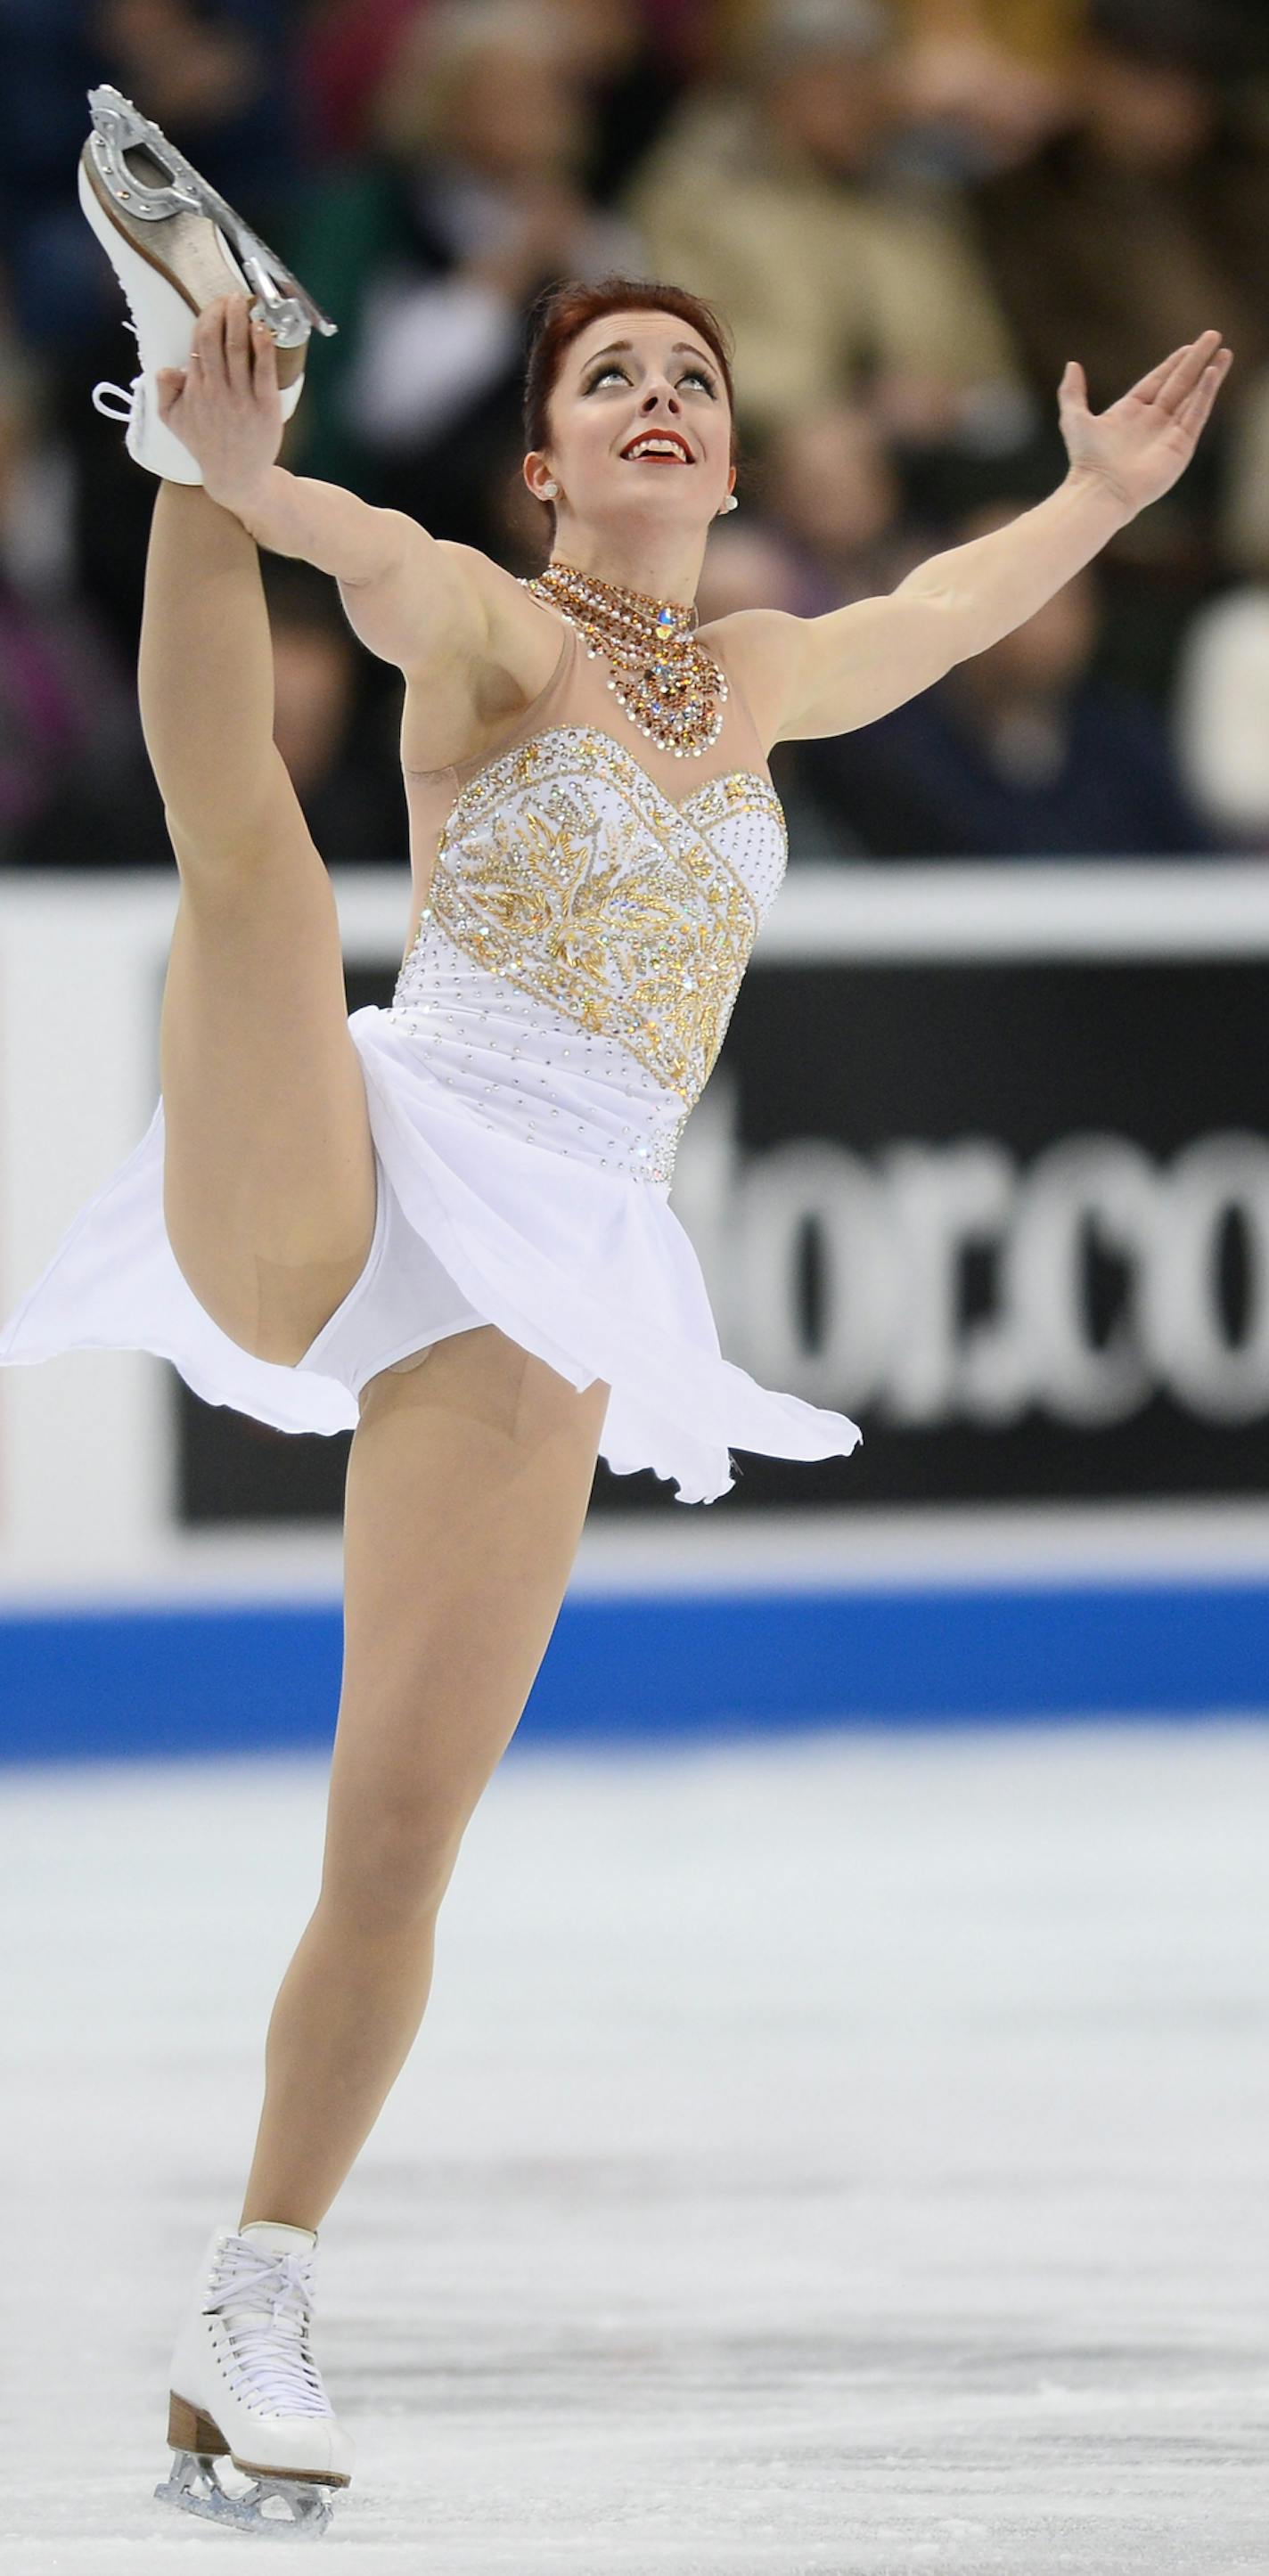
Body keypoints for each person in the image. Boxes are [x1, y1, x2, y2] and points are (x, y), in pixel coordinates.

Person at [0, 79, 1232, 2539]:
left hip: (555, 1260)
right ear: (552, 464)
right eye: (607, 382)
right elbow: (367, 549)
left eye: (690, 377)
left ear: (726, 446)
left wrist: (1091, 510)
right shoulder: (486, 619)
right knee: (247, 860)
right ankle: (167, 398)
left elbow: (928, 618)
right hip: (369, 1151)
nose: (659, 398)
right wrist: (246, 479)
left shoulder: (755, 675)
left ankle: (257, 2289)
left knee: (397, 1829)